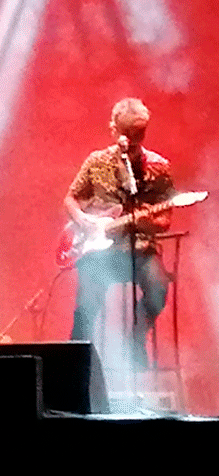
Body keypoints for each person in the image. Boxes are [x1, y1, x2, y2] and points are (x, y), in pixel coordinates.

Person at [65, 98, 175, 366]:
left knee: (158, 288)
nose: (132, 140)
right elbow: (71, 198)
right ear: (114, 130)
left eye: (139, 134)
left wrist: (144, 221)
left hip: (139, 251)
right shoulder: (96, 161)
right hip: (100, 252)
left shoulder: (159, 167)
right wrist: (83, 219)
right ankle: (74, 362)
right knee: (87, 304)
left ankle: (135, 340)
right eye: (128, 133)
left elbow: (165, 220)